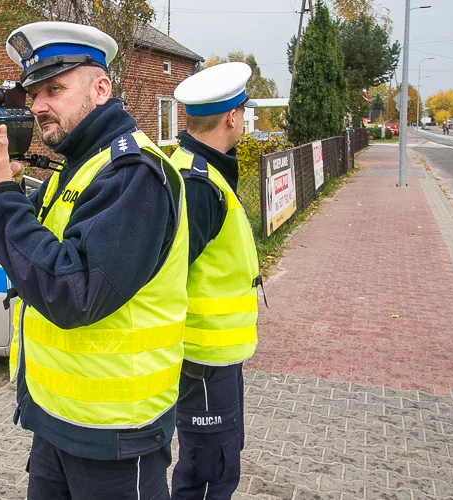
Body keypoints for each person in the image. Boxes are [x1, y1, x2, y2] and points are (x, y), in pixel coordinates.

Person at [0, 21, 189, 500]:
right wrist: (9, 190)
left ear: (101, 88)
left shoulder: (132, 174)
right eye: (34, 92)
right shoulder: (80, 166)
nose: (39, 105)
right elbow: (44, 258)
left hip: (116, 437)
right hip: (57, 421)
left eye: (55, 89)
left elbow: (73, 292)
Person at [167, 62, 261, 499]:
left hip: (215, 354)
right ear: (231, 117)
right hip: (203, 355)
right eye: (244, 111)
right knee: (209, 471)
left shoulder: (201, 168)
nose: (244, 119)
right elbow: (167, 273)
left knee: (217, 460)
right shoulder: (199, 184)